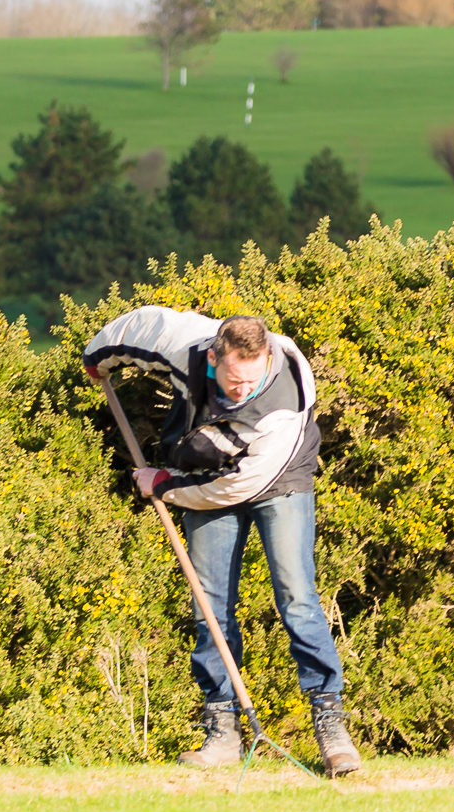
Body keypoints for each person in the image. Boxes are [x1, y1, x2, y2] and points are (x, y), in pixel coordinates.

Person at [82, 306, 362, 776]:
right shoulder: (189, 345)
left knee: (295, 595)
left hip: (277, 480)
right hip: (206, 467)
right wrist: (98, 358)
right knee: (209, 604)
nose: (242, 390)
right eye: (234, 380)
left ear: (268, 355)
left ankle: (331, 726)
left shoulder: (284, 399)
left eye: (251, 381)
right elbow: (143, 327)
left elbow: (237, 485)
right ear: (214, 358)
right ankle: (222, 733)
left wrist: (165, 485)